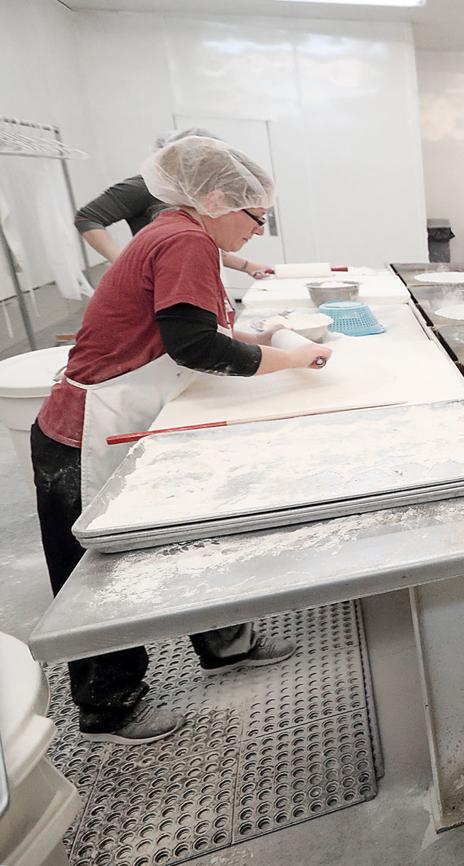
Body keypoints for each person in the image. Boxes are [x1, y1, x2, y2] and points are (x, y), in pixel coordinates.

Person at [32, 136, 332, 745]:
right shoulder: (186, 239)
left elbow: (199, 324)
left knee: (188, 529)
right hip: (91, 431)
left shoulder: (176, 231)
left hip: (137, 416)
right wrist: (289, 360)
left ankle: (226, 644)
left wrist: (265, 332)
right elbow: (194, 347)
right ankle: (109, 705)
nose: (258, 231)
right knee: (102, 569)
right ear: (216, 199)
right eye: (256, 217)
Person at [74, 128, 270, 278]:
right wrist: (123, 262)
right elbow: (88, 217)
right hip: (164, 276)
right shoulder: (144, 188)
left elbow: (205, 241)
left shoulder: (200, 197)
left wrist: (248, 266)